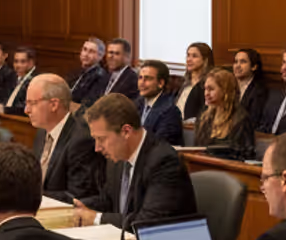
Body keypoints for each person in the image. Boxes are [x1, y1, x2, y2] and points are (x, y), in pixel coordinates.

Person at [73, 93, 197, 227]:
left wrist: (96, 218)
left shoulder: (164, 162)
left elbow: (147, 221)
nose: (97, 148)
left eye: (101, 139)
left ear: (126, 132)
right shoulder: (117, 159)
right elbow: (108, 201)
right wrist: (78, 206)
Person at [25, 74, 103, 204]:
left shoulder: (81, 140)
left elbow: (77, 195)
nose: (26, 110)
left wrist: (28, 196)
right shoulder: (42, 132)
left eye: (32, 103)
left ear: (54, 105)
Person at [192, 66, 256, 158]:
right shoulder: (204, 117)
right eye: (205, 89)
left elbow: (243, 154)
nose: (206, 93)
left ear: (225, 91)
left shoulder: (240, 119)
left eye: (211, 89)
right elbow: (197, 148)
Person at [135, 60, 183, 146]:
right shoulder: (136, 104)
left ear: (160, 83)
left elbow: (158, 144)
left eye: (148, 78)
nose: (142, 83)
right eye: (140, 78)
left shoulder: (170, 111)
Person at [231, 48, 272, 131]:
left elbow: (253, 121)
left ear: (254, 67)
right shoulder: (229, 86)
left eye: (243, 62)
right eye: (236, 62)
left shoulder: (258, 91)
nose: (237, 65)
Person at [176, 42, 214, 120]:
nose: (189, 59)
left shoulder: (209, 83)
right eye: (188, 55)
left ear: (205, 60)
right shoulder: (183, 82)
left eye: (194, 56)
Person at [68, 37, 108, 105]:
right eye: (84, 49)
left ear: (100, 56)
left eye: (91, 51)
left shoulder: (101, 77)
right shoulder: (77, 71)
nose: (86, 54)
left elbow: (88, 104)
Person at [2, 46, 40, 114]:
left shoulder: (36, 81)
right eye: (16, 61)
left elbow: (25, 108)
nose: (18, 65)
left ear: (31, 63)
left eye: (22, 62)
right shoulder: (12, 76)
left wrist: (4, 109)